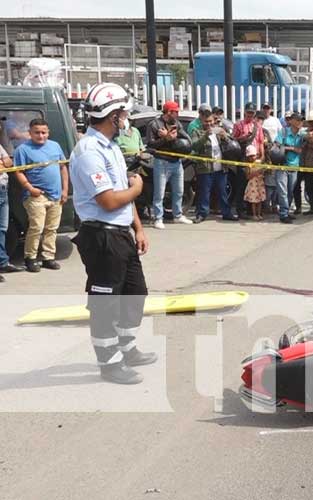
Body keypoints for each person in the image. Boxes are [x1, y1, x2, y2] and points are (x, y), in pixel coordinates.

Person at [69, 82, 155, 385]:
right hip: (101, 236)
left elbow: (121, 194)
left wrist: (139, 228)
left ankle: (127, 348)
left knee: (135, 294)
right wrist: (137, 188)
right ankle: (109, 363)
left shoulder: (111, 147)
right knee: (105, 303)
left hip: (121, 234)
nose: (126, 119)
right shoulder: (89, 151)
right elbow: (107, 200)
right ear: (113, 115)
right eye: (123, 113)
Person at [13, 118, 68, 272]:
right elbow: (19, 172)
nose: (41, 136)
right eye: (37, 132)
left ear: (48, 132)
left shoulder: (55, 146)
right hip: (36, 196)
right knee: (36, 227)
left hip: (56, 195)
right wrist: (30, 188)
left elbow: (63, 168)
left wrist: (64, 190)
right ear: (30, 133)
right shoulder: (22, 150)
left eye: (44, 132)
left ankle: (48, 257)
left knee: (52, 228)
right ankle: (30, 258)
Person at [145, 100, 193, 229]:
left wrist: (173, 138)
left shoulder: (176, 124)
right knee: (159, 193)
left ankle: (177, 215)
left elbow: (187, 140)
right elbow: (150, 144)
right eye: (175, 112)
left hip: (176, 162)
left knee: (179, 191)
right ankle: (158, 218)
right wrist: (165, 139)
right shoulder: (154, 124)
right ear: (168, 112)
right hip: (161, 161)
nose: (177, 114)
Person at [190, 109, 237, 223]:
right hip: (205, 168)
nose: (209, 124)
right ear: (202, 121)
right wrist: (205, 136)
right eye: (206, 121)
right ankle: (202, 214)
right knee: (204, 193)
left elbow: (231, 144)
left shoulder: (219, 130)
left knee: (223, 192)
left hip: (220, 167)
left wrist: (225, 136)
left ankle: (226, 213)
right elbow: (195, 146)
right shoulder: (197, 132)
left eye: (211, 121)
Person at [232, 102, 265, 218]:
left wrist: (262, 156)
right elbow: (233, 140)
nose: (250, 115)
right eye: (248, 112)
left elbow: (261, 142)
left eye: (252, 113)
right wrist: (243, 137)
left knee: (256, 186)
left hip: (255, 159)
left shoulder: (258, 126)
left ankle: (253, 211)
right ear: (244, 112)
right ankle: (240, 210)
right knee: (242, 185)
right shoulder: (238, 125)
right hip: (243, 158)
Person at [275, 112, 304, 224]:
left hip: (294, 166)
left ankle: (286, 211)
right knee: (282, 191)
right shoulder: (283, 132)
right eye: (297, 120)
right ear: (291, 121)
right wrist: (292, 148)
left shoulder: (301, 135)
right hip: (282, 165)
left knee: (290, 192)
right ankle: (283, 214)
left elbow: (301, 150)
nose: (299, 122)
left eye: (301, 120)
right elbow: (277, 145)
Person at [0, 144, 23, 279]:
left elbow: (8, 163)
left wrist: (3, 162)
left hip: (3, 189)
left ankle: (3, 262)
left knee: (3, 229)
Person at [295, 111, 313, 215]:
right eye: (311, 122)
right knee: (307, 186)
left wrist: (311, 140)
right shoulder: (305, 133)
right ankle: (311, 207)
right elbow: (302, 136)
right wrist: (308, 137)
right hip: (304, 163)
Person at [243, 145, 266, 221]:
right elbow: (247, 177)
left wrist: (262, 171)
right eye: (250, 156)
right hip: (253, 185)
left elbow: (263, 171)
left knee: (259, 200)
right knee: (253, 201)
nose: (252, 158)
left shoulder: (259, 162)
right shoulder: (248, 165)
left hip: (260, 183)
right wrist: (255, 173)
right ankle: (254, 214)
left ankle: (259, 214)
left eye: (253, 155)